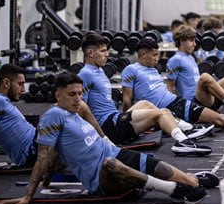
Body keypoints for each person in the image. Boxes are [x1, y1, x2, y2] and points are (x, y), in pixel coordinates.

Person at [0, 73, 212, 204]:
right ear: (57, 96)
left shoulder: (77, 109)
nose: (78, 99)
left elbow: (86, 118)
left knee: (173, 173)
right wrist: (29, 195)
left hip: (115, 153)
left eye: (80, 93)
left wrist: (106, 140)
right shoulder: (52, 118)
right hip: (102, 178)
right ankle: (173, 191)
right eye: (72, 94)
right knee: (111, 164)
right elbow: (45, 156)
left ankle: (193, 180)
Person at [76, 33, 212, 156]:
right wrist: (98, 137)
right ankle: (183, 142)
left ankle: (186, 128)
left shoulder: (99, 71)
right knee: (162, 113)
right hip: (108, 127)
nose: (107, 54)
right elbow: (81, 109)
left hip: (114, 118)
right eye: (103, 51)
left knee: (146, 104)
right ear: (90, 53)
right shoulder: (85, 74)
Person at [121, 38, 224, 131]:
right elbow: (127, 99)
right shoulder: (131, 70)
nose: (157, 59)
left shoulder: (154, 69)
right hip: (167, 108)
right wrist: (123, 120)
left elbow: (168, 91)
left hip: (179, 102)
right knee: (218, 120)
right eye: (154, 55)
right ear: (144, 55)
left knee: (221, 119)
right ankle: (201, 124)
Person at [166, 25, 224, 107]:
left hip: (206, 96)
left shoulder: (191, 58)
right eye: (191, 40)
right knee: (205, 77)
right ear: (181, 41)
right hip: (194, 102)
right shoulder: (175, 60)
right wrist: (176, 108)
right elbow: (170, 86)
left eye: (195, 41)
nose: (195, 44)